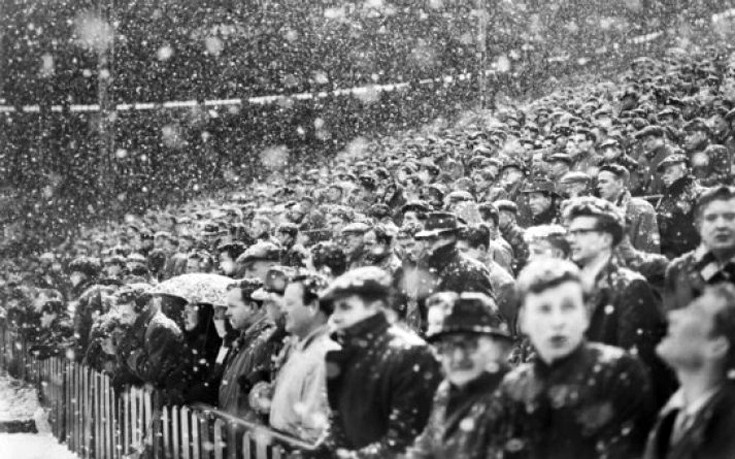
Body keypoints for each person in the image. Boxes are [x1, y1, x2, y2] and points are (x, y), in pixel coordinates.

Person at [497, 259, 656, 459]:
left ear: (585, 316)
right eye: (544, 309)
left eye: (568, 307)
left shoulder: (618, 373)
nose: (557, 322)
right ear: (524, 320)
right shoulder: (513, 388)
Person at [312, 267, 442, 457]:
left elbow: (406, 440)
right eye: (335, 307)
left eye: (346, 307)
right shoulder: (347, 352)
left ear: (376, 307)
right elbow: (339, 424)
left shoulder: (410, 354)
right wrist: (320, 451)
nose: (336, 317)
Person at [564, 196, 672, 408]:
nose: (572, 239)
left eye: (582, 233)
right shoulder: (571, 284)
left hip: (609, 405)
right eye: (571, 232)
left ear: (606, 239)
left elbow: (635, 366)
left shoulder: (630, 286)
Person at [407, 292, 513, 459]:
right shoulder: (447, 390)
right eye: (448, 345)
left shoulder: (511, 398)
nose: (458, 356)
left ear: (496, 349)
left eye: (470, 344)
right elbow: (425, 449)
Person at [645, 283, 735, 459]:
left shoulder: (728, 429)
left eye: (695, 312)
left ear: (717, 346)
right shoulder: (674, 413)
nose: (672, 316)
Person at [269, 272, 338, 442]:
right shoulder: (299, 349)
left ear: (313, 306)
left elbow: (314, 435)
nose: (283, 309)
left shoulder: (324, 357)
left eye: (290, 303)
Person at [664, 186, 735, 311]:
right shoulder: (678, 271)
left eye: (729, 217)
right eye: (711, 218)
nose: (721, 225)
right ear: (698, 224)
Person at [219, 278, 277, 420]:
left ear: (252, 307)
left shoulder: (266, 342)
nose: (226, 313)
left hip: (247, 434)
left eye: (232, 306)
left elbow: (259, 396)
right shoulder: (245, 339)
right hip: (236, 430)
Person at [596, 163, 661, 253]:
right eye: (598, 182)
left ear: (619, 183)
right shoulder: (598, 210)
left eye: (604, 182)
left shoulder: (642, 209)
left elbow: (648, 252)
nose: (598, 186)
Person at [654, 154, 703, 259]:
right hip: (670, 254)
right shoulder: (667, 196)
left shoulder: (697, 194)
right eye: (664, 173)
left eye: (670, 171)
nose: (664, 176)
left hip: (689, 256)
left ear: (684, 171)